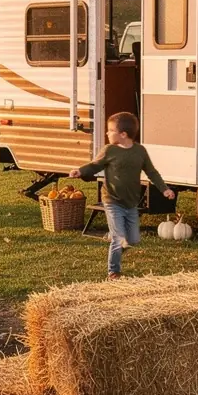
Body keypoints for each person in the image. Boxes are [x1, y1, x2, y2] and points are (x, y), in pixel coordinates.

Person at [69, 111, 175, 279]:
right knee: (119, 238)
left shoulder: (140, 151)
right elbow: (95, 166)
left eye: (110, 130)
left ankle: (115, 239)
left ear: (123, 134)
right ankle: (113, 271)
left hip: (131, 202)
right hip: (112, 200)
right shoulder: (109, 150)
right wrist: (80, 171)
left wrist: (164, 189)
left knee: (132, 240)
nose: (107, 133)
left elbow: (152, 172)